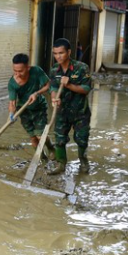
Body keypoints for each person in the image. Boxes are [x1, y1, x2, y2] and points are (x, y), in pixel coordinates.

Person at [49, 38, 92, 175]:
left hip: (80, 112)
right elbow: (53, 87)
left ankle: (83, 161)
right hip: (62, 112)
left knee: (81, 139)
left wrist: (68, 85)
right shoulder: (55, 69)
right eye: (55, 53)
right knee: (59, 139)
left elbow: (86, 89)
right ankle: (61, 164)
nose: (58, 56)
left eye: (61, 53)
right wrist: (54, 98)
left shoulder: (81, 67)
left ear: (69, 52)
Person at [8, 53, 55, 160]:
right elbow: (12, 103)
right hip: (24, 111)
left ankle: (51, 148)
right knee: (33, 138)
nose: (17, 74)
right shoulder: (12, 83)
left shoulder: (36, 71)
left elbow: (48, 85)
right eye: (15, 71)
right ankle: (42, 159)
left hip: (38, 107)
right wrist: (11, 115)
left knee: (40, 135)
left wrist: (36, 93)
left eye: (20, 71)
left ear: (28, 67)